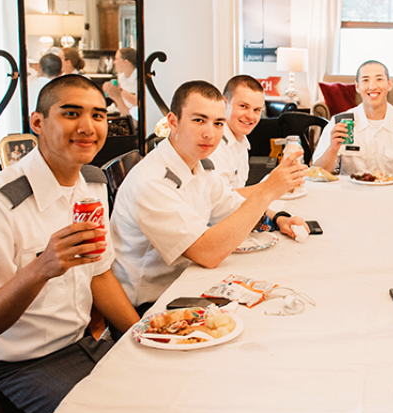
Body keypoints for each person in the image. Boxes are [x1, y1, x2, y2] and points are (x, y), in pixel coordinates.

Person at [0, 75, 140, 413]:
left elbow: (99, 274)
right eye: (71, 113)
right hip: (17, 368)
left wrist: (142, 335)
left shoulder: (92, 184)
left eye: (98, 115)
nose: (88, 127)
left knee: (165, 397)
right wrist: (41, 269)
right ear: (38, 122)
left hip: (85, 344)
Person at [110, 80, 307, 313]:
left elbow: (232, 205)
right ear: (173, 122)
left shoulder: (198, 165)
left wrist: (278, 218)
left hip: (187, 279)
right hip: (154, 302)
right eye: (199, 120)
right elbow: (207, 253)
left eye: (218, 123)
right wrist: (267, 191)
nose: (209, 134)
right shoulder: (151, 182)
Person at [313, 60, 393, 176]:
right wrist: (332, 148)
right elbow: (318, 172)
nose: (372, 86)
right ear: (357, 87)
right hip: (351, 188)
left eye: (379, 79)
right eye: (365, 80)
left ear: (389, 84)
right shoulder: (339, 124)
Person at [209, 74, 274, 192]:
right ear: (224, 103)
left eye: (256, 110)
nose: (250, 116)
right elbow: (222, 199)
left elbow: (237, 194)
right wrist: (270, 185)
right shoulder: (213, 144)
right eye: (243, 106)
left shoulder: (242, 143)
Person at [102, 47, 138, 120]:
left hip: (133, 116)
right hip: (119, 110)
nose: (114, 62)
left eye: (116, 59)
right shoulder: (121, 76)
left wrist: (120, 91)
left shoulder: (139, 78)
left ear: (125, 62)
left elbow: (139, 103)